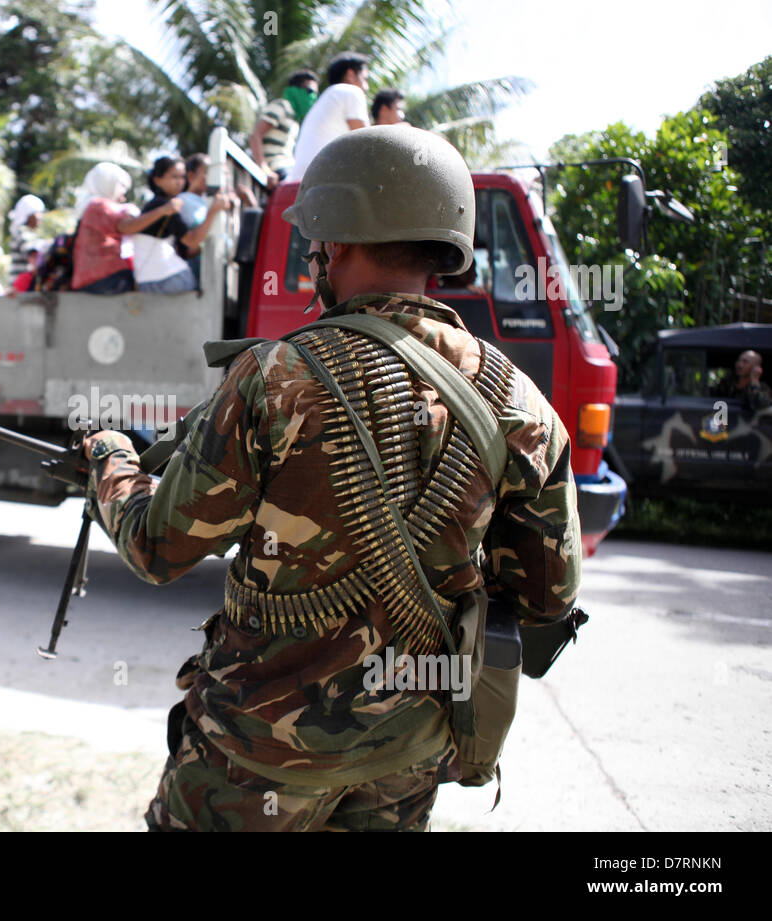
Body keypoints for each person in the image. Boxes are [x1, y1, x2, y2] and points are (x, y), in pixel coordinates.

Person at [78, 125, 581, 831]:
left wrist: (110, 460)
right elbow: (546, 595)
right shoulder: (518, 398)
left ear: (335, 243)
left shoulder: (275, 376)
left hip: (254, 759)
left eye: (315, 239)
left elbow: (159, 548)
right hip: (406, 755)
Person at [125, 156, 231, 294]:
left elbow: (188, 250)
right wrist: (214, 211)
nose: (180, 182)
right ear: (157, 180)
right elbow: (192, 241)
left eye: (182, 177)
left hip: (147, 281)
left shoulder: (160, 204)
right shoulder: (165, 206)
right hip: (166, 279)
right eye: (174, 177)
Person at [290, 52, 371, 181]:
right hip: (323, 181)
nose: (366, 86)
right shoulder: (352, 91)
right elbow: (369, 142)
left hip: (300, 180)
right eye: (365, 78)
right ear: (350, 75)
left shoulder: (326, 98)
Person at [71, 162, 139, 294]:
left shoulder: (87, 205)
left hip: (88, 279)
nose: (124, 195)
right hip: (106, 278)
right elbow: (128, 226)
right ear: (109, 183)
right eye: (122, 186)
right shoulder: (99, 205)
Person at [249, 69, 319, 189]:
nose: (312, 97)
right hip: (276, 166)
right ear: (296, 89)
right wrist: (264, 168)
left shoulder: (295, 119)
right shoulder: (281, 106)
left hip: (289, 167)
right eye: (309, 91)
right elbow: (256, 135)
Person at [8, 194, 47, 280]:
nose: (41, 217)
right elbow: (32, 249)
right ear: (29, 215)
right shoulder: (22, 232)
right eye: (38, 213)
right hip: (20, 285)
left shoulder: (26, 233)